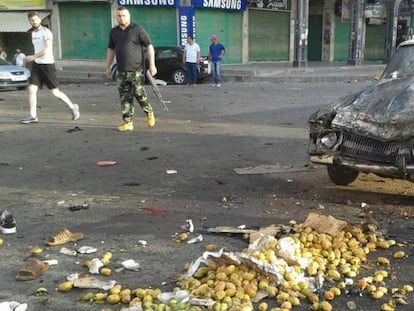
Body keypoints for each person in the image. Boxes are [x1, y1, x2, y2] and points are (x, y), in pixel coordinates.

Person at [21, 11, 80, 124]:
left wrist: (33, 56)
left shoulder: (46, 32)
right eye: (32, 20)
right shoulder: (33, 33)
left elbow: (47, 49)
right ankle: (33, 115)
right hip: (37, 65)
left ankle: (73, 107)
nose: (34, 21)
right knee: (31, 89)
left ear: (39, 19)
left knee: (55, 92)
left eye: (36, 19)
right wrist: (34, 58)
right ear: (29, 21)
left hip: (47, 65)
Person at [105, 6, 157, 132]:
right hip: (121, 71)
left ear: (129, 16)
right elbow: (111, 50)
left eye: (124, 15)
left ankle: (149, 111)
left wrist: (152, 64)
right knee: (125, 97)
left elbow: (149, 46)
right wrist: (107, 66)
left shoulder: (137, 30)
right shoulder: (114, 32)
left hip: (136, 70)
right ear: (116, 17)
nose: (121, 18)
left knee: (139, 94)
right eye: (119, 15)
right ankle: (128, 122)